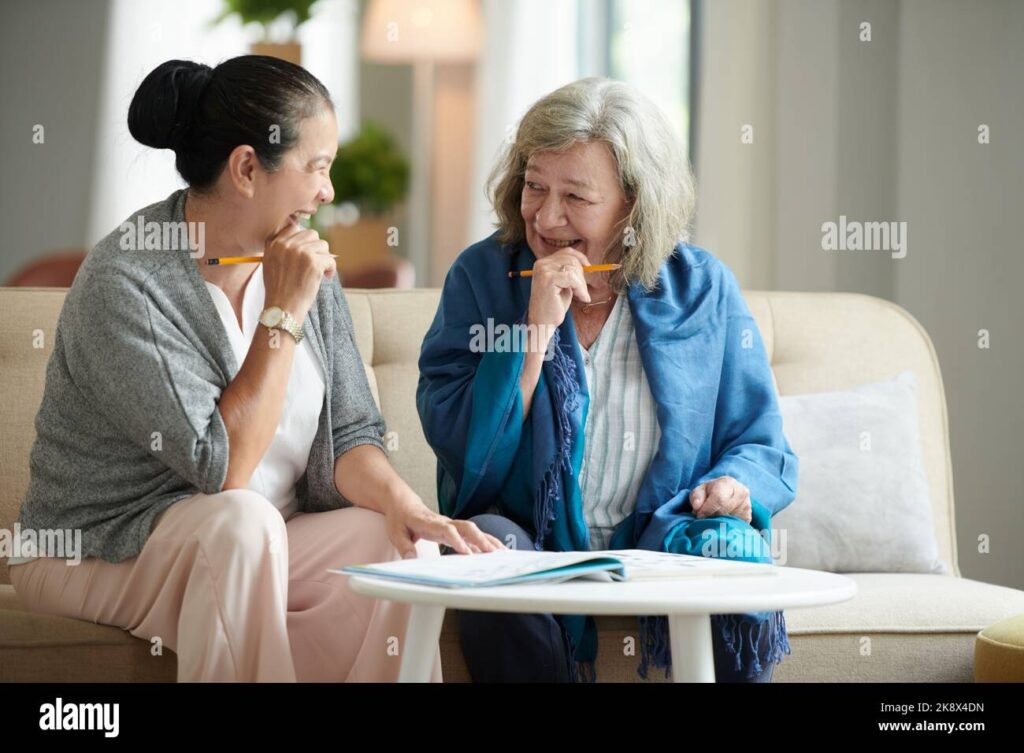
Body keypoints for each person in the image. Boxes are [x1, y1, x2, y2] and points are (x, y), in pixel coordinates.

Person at [9, 55, 502, 682]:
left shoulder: (301, 264)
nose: (327, 191)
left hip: (255, 539)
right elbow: (226, 468)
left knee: (388, 543)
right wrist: (282, 310)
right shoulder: (130, 282)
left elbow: (351, 434)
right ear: (247, 168)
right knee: (242, 523)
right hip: (98, 548)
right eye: (317, 168)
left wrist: (410, 508)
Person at [417, 77, 799, 682]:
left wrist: (736, 487)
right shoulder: (483, 276)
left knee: (731, 544)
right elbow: (466, 457)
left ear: (634, 203)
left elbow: (761, 442)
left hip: (664, 530)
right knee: (484, 550)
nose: (546, 217)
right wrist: (533, 334)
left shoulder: (702, 288)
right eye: (534, 187)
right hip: (526, 535)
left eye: (576, 197)